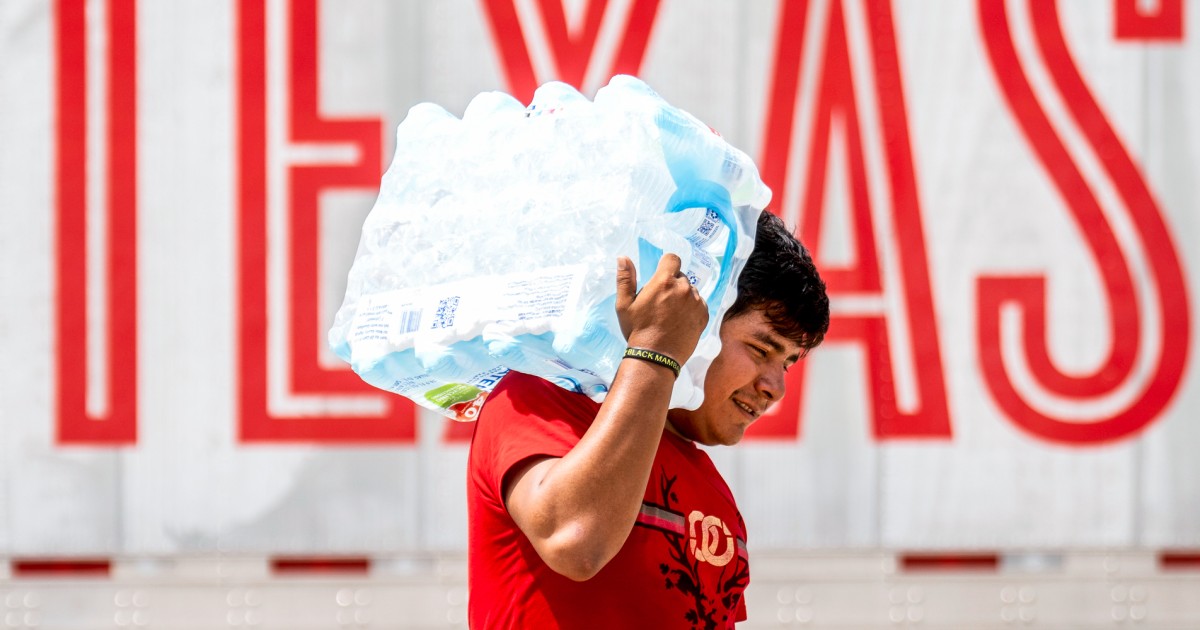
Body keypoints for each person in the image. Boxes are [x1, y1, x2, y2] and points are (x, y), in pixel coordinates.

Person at [467, 211, 829, 628]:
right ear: (698, 321)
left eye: (787, 364)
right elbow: (574, 541)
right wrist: (656, 350)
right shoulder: (536, 398)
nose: (774, 388)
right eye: (761, 350)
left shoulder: (718, 497)